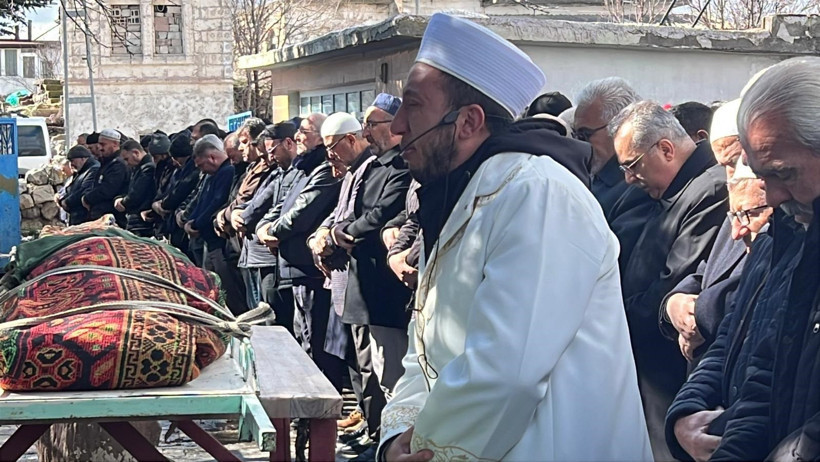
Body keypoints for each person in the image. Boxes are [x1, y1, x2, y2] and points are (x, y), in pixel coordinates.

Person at [379, 13, 651, 461]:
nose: (397, 127)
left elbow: (508, 371)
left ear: (467, 122)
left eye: (413, 106)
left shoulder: (537, 193)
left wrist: (426, 449)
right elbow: (427, 343)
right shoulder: (459, 191)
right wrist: (398, 437)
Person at [710, 56, 820, 461]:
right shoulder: (797, 234)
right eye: (762, 176)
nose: (771, 197)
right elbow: (766, 375)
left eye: (784, 173)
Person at [611, 100, 729, 460]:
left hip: (670, 372)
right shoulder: (659, 189)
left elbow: (672, 284)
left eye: (632, 166)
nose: (629, 178)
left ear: (665, 148)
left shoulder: (709, 189)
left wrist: (606, 316)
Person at [665, 158, 785, 462]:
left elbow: (766, 383)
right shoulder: (761, 244)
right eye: (734, 214)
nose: (736, 231)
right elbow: (727, 340)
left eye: (749, 214)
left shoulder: (783, 246)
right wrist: (684, 413)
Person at [257, 113, 345, 391]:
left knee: (315, 339)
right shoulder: (301, 168)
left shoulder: (323, 168)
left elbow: (301, 214)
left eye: (304, 132)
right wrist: (262, 227)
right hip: (293, 267)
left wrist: (274, 231)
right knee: (303, 333)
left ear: (321, 137)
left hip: (309, 268)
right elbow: (281, 204)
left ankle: (319, 402)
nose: (298, 137)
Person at [660, 99, 752, 367]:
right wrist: (675, 304)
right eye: (725, 165)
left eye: (737, 161)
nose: (731, 177)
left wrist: (700, 312)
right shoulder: (738, 201)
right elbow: (708, 268)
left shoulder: (784, 207)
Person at [574, 77, 655, 269]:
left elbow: (610, 257)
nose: (579, 143)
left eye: (585, 134)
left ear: (620, 126)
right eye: (576, 134)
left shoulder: (637, 183)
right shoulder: (595, 175)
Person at [236, 122, 298, 331]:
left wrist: (265, 228)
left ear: (289, 143)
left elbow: (285, 207)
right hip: (262, 252)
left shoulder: (299, 173)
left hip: (276, 257)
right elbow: (256, 202)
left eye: (272, 150)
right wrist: (238, 214)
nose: (270, 157)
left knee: (277, 322)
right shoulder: (278, 173)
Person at [81, 129, 130, 227]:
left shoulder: (118, 164)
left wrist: (87, 198)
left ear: (115, 144)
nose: (100, 148)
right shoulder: (106, 162)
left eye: (103, 144)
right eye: (99, 144)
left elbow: (108, 189)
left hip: (112, 218)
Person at [114, 139, 156, 237]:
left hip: (141, 220)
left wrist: (123, 202)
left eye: (126, 159)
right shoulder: (137, 169)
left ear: (136, 153)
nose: (126, 163)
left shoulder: (147, 168)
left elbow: (136, 194)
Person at [58, 145, 100, 226]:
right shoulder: (81, 170)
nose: (71, 164)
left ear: (83, 158)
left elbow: (84, 190)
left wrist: (67, 202)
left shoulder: (93, 169)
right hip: (76, 215)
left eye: (72, 160)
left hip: (84, 217)